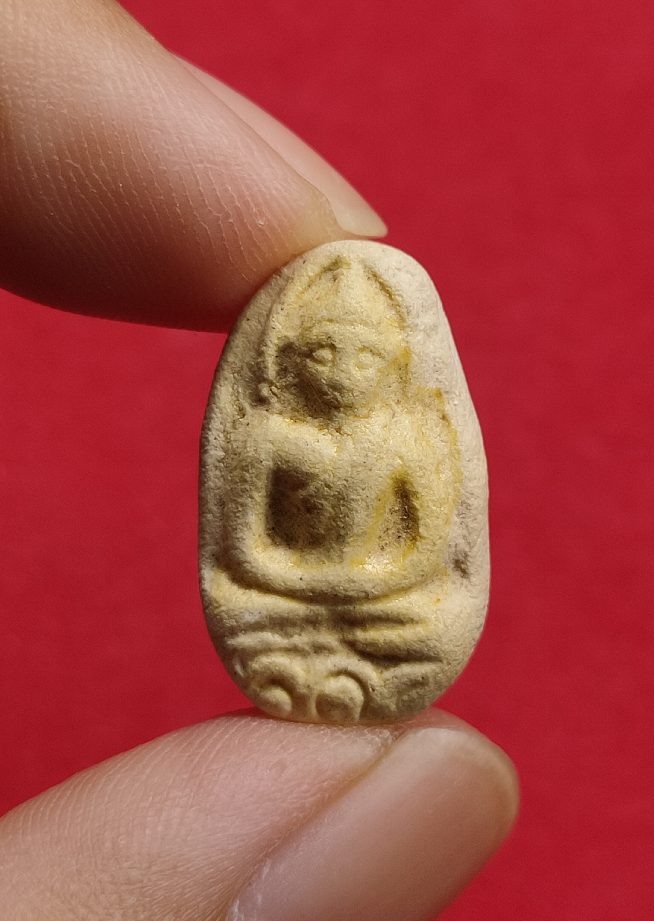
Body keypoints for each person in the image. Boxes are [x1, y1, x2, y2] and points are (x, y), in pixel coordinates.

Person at [0, 1, 519, 918]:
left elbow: (431, 552)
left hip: (383, 602)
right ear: (288, 359)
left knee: (427, 621)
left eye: (362, 356)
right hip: (280, 598)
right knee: (262, 616)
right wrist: (304, 583)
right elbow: (241, 550)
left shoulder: (407, 437)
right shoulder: (275, 435)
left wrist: (360, 583)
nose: (342, 371)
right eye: (322, 353)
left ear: (396, 362)